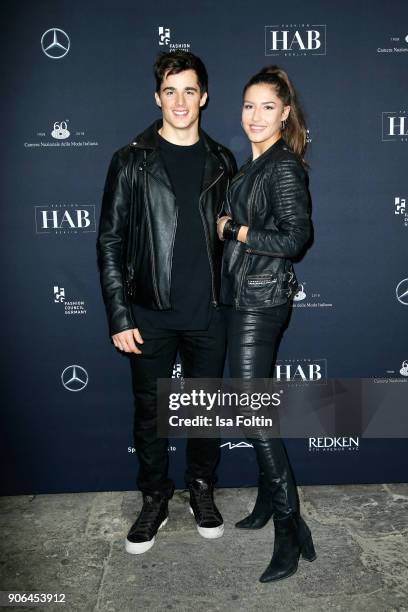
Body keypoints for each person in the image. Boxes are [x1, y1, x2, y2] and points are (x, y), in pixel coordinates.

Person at [97, 50, 236, 555]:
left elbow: (230, 235)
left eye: (190, 90)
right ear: (158, 97)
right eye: (170, 91)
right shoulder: (131, 160)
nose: (180, 101)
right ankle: (154, 498)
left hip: (209, 313)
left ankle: (201, 489)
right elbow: (109, 241)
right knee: (150, 412)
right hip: (148, 314)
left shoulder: (222, 160)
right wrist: (118, 313)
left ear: (204, 97)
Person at [217, 65, 316, 582]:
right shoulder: (249, 166)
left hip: (261, 301)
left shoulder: (282, 167)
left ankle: (289, 530)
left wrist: (236, 229)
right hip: (242, 297)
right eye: (249, 105)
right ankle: (265, 503)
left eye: (267, 107)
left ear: (284, 114)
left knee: (254, 413)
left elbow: (296, 239)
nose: (255, 116)